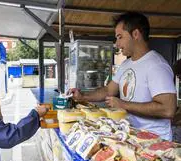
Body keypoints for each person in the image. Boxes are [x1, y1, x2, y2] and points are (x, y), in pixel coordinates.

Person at [69, 12, 176, 141]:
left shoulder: (156, 65)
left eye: (120, 37)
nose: (117, 44)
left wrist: (123, 104)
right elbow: (108, 90)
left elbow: (168, 109)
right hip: (130, 135)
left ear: (135, 34)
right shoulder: (125, 64)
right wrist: (83, 96)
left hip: (155, 141)